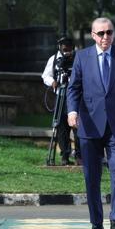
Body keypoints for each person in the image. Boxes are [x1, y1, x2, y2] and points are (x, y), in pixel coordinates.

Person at [67, 18, 115, 229]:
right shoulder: (82, 57)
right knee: (92, 176)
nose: (105, 37)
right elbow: (74, 88)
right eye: (101, 33)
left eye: (109, 32)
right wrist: (72, 112)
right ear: (93, 35)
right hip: (90, 125)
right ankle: (96, 222)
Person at [42, 37, 77, 166]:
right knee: (61, 126)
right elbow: (45, 75)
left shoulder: (78, 58)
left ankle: (80, 155)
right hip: (61, 95)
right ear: (59, 47)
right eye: (64, 46)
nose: (66, 48)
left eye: (69, 46)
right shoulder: (54, 59)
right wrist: (53, 82)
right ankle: (65, 155)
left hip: (76, 96)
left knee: (77, 125)